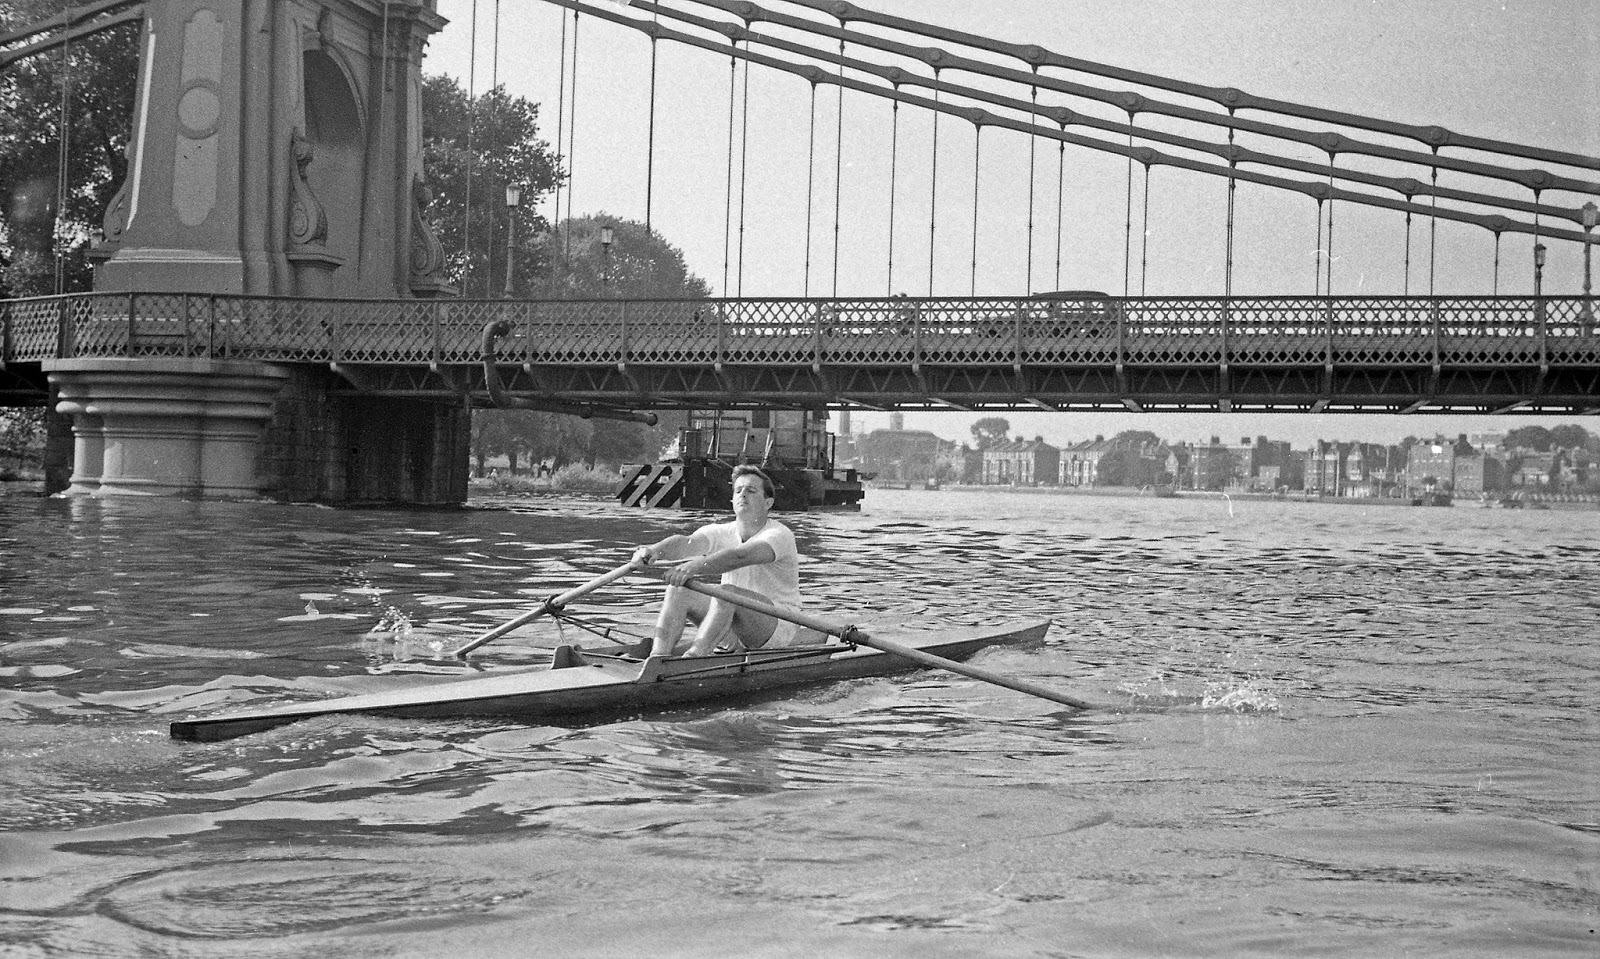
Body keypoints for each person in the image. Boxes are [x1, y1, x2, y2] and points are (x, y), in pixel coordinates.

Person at [630, 465, 821, 657]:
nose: (743, 495)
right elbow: (685, 543)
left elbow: (740, 556)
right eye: (738, 490)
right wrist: (652, 550)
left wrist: (696, 565)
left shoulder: (779, 535)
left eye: (751, 491)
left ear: (768, 503)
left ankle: (694, 657)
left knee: (727, 593)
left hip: (778, 628)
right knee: (678, 590)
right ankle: (658, 657)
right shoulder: (722, 531)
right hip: (732, 622)